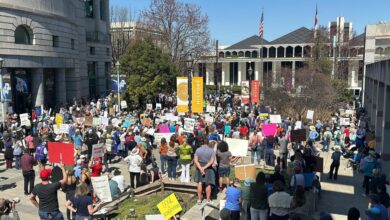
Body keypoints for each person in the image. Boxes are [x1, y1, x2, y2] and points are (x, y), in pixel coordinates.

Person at [194, 137, 215, 204]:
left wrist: (201, 168)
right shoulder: (211, 150)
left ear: (202, 142)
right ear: (208, 143)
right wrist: (204, 168)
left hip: (199, 168)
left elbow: (195, 160)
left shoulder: (198, 150)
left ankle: (199, 199)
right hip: (208, 168)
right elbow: (211, 161)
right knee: (208, 184)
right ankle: (208, 199)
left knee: (200, 183)